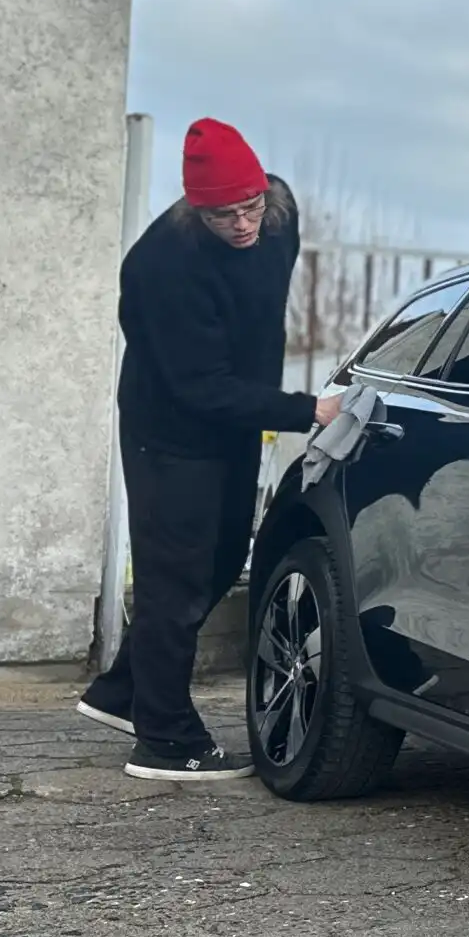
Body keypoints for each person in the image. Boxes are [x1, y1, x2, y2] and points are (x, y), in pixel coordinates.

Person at [79, 119, 339, 780]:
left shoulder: (279, 212)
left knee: (222, 561)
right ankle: (166, 740)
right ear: (197, 209)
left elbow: (259, 312)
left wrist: (266, 400)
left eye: (250, 207)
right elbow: (198, 387)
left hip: (235, 422)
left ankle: (122, 692)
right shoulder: (162, 265)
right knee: (175, 579)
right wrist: (304, 409)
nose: (243, 224)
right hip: (169, 431)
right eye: (225, 215)